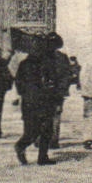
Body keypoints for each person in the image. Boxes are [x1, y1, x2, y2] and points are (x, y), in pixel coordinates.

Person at [13, 35, 62, 166]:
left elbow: (18, 82)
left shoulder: (25, 63)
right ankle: (26, 149)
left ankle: (38, 154)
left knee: (37, 130)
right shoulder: (46, 63)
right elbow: (52, 82)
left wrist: (24, 94)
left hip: (31, 101)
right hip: (41, 100)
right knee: (41, 130)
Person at [50, 38, 76, 148]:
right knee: (56, 116)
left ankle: (40, 140)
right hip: (58, 92)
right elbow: (68, 75)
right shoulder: (63, 57)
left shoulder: (40, 57)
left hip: (43, 91)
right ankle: (53, 140)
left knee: (41, 116)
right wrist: (63, 89)